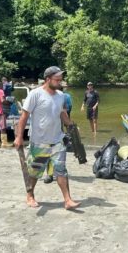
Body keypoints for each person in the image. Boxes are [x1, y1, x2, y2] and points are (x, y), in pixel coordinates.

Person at [14, 66, 80, 209]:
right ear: (48, 79)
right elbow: (24, 116)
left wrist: (71, 125)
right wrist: (19, 138)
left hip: (57, 140)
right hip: (39, 142)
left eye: (61, 80)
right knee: (35, 171)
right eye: (57, 80)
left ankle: (67, 200)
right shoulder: (35, 94)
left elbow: (62, 113)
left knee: (61, 170)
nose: (60, 82)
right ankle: (30, 196)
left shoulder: (61, 96)